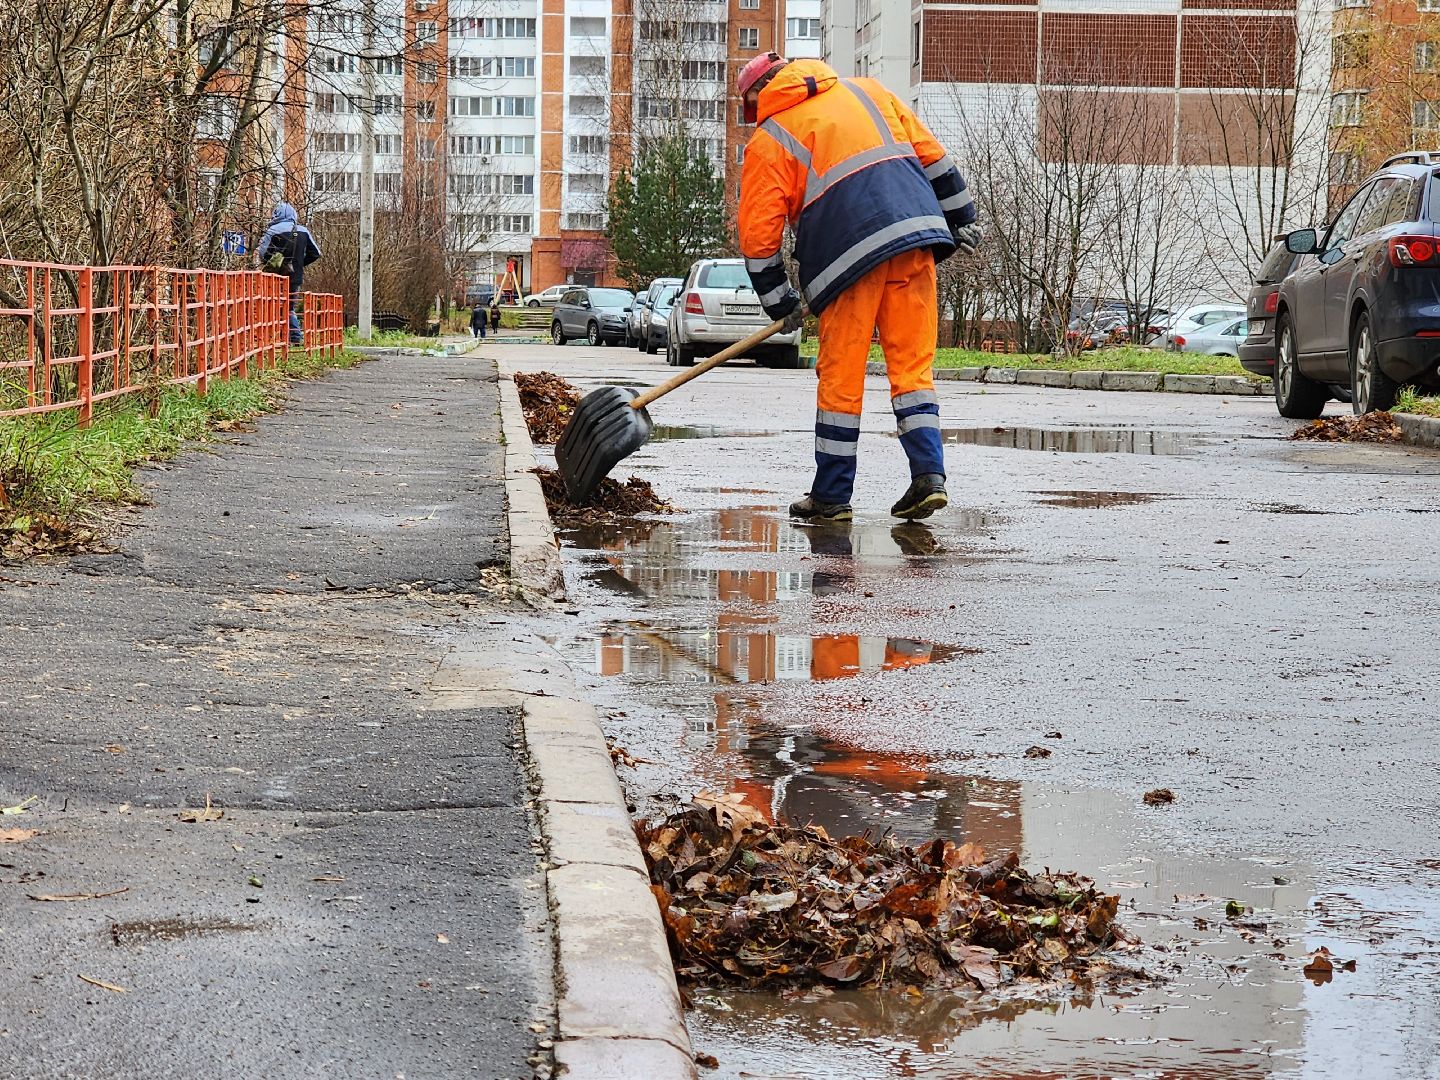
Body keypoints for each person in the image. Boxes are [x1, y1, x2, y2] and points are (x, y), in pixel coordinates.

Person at [736, 53, 980, 522]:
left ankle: (831, 497)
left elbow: (759, 235)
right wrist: (962, 217)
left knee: (842, 380)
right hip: (914, 240)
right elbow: (934, 158)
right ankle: (929, 476)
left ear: (758, 95)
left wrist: (779, 301)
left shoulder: (771, 138)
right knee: (912, 370)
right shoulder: (870, 92)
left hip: (846, 260)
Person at [256, 202, 322, 346]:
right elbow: (316, 253)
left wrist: (275, 262)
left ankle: (287, 336)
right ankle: (293, 336)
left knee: (274, 305)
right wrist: (300, 263)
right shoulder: (303, 231)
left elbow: (263, 254)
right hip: (295, 276)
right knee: (289, 306)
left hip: (275, 275)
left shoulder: (273, 231)